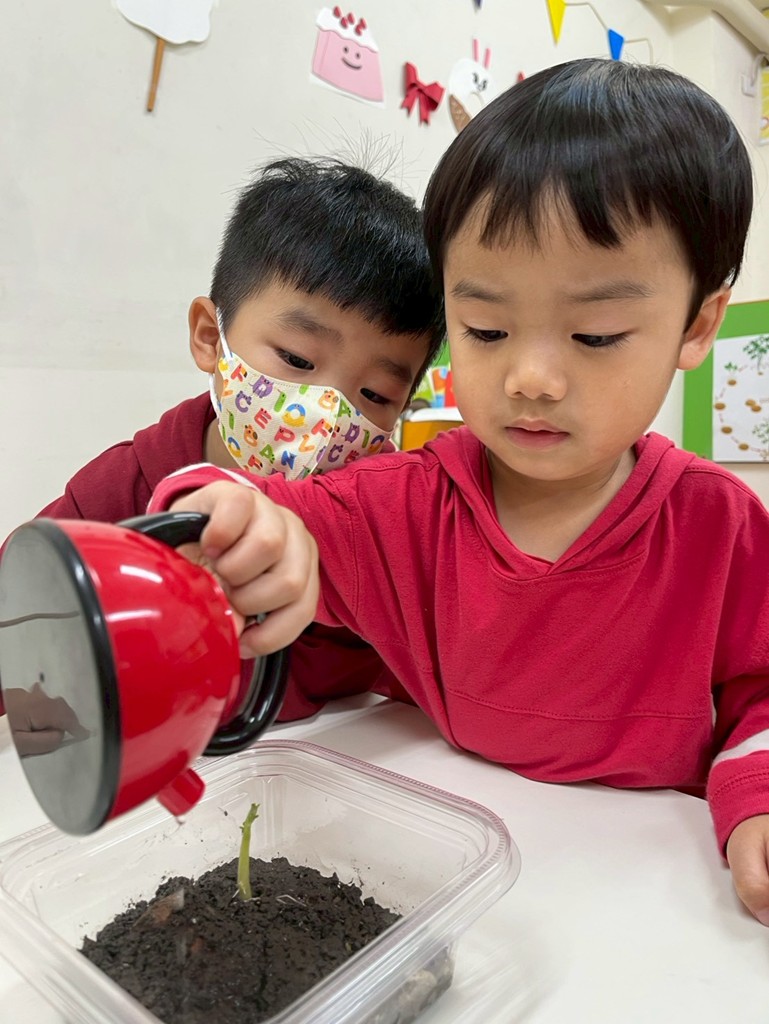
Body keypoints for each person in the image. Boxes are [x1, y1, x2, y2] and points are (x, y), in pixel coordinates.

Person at [148, 58, 769, 927]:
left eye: (594, 335)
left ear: (695, 325)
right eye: (484, 329)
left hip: (657, 900)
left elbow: (758, 694)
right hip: (454, 885)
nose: (530, 378)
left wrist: (757, 799)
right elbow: (254, 506)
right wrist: (238, 523)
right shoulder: (399, 505)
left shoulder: (719, 523)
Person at [0, 157, 444, 723]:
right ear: (211, 337)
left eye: (376, 394)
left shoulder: (385, 525)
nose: (329, 416)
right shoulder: (123, 490)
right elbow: (14, 619)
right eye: (297, 359)